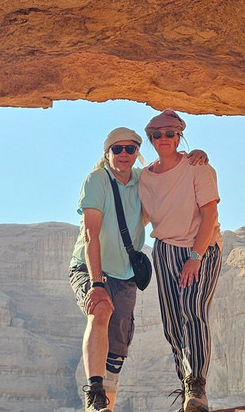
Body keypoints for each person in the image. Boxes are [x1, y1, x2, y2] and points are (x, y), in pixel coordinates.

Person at [69, 127, 209, 412]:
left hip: (125, 273)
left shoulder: (143, 178)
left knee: (118, 345)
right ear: (107, 153)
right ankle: (95, 393)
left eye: (130, 149)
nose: (123, 155)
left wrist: (194, 156)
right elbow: (89, 235)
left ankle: (105, 407)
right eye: (117, 149)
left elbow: (171, 180)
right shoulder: (96, 180)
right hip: (91, 265)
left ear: (137, 152)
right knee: (101, 310)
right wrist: (97, 283)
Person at [138, 110, 222, 412]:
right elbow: (141, 216)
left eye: (169, 134)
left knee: (193, 309)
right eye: (157, 135)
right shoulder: (145, 177)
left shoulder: (197, 167)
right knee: (173, 324)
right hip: (164, 251)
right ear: (150, 139)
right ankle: (188, 392)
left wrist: (195, 257)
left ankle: (197, 387)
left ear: (179, 136)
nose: (164, 140)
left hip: (200, 248)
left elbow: (210, 214)